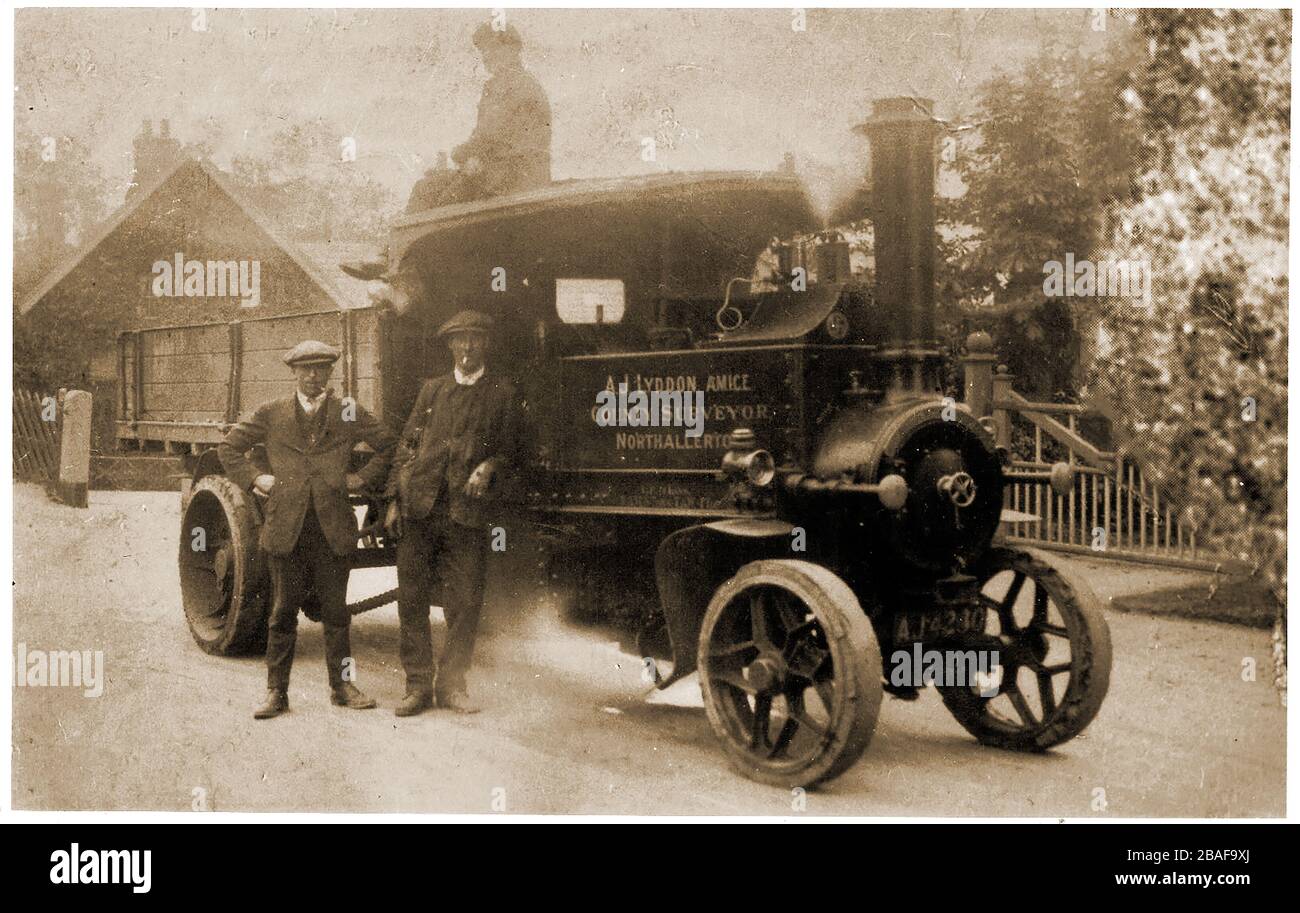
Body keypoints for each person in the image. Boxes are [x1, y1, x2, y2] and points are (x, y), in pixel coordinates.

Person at [218, 340, 397, 719]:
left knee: (336, 612)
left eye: (320, 369)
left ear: (330, 372)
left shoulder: (347, 411)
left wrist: (361, 479)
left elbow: (389, 446)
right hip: (287, 527)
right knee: (282, 613)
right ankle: (276, 693)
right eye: (306, 369)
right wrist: (255, 479)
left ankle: (342, 686)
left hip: (332, 528)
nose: (313, 376)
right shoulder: (271, 413)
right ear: (295, 373)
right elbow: (229, 449)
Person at [384, 310, 522, 715]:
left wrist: (490, 465)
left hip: (466, 513)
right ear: (449, 347)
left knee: (464, 602)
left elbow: (514, 453)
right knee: (411, 600)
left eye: (474, 339)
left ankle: (452, 686)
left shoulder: (502, 394)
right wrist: (393, 500)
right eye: (459, 340)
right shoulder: (431, 391)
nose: (467, 347)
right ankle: (417, 687)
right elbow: (407, 448)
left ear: (486, 345)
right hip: (419, 508)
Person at [405, 21, 552, 211]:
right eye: (483, 50)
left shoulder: (521, 86)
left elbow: (490, 138)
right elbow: (482, 137)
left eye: (492, 48)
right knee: (429, 186)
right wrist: (466, 159)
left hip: (514, 179)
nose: (486, 56)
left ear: (513, 49)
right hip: (496, 172)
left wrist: (461, 154)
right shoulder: (493, 87)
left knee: (438, 197)